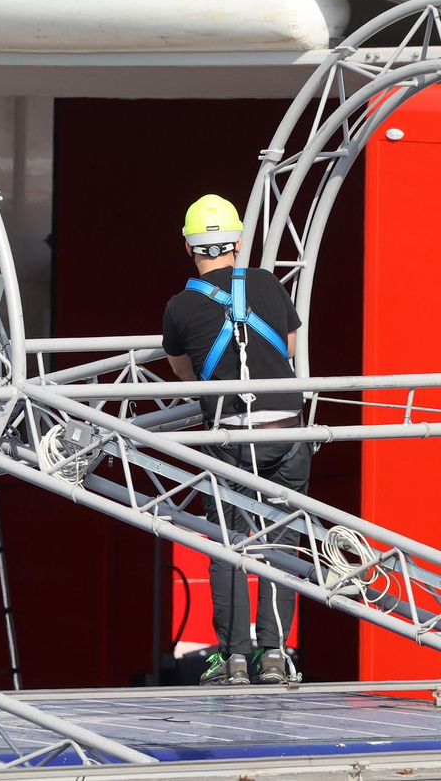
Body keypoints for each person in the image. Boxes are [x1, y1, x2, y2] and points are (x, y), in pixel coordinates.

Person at [162, 194, 312, 687]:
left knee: (230, 546)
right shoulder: (269, 284)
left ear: (189, 247)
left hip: (231, 441)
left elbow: (185, 375)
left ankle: (233, 660)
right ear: (238, 240)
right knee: (281, 542)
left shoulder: (180, 306)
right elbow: (287, 349)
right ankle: (274, 656)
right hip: (289, 437)